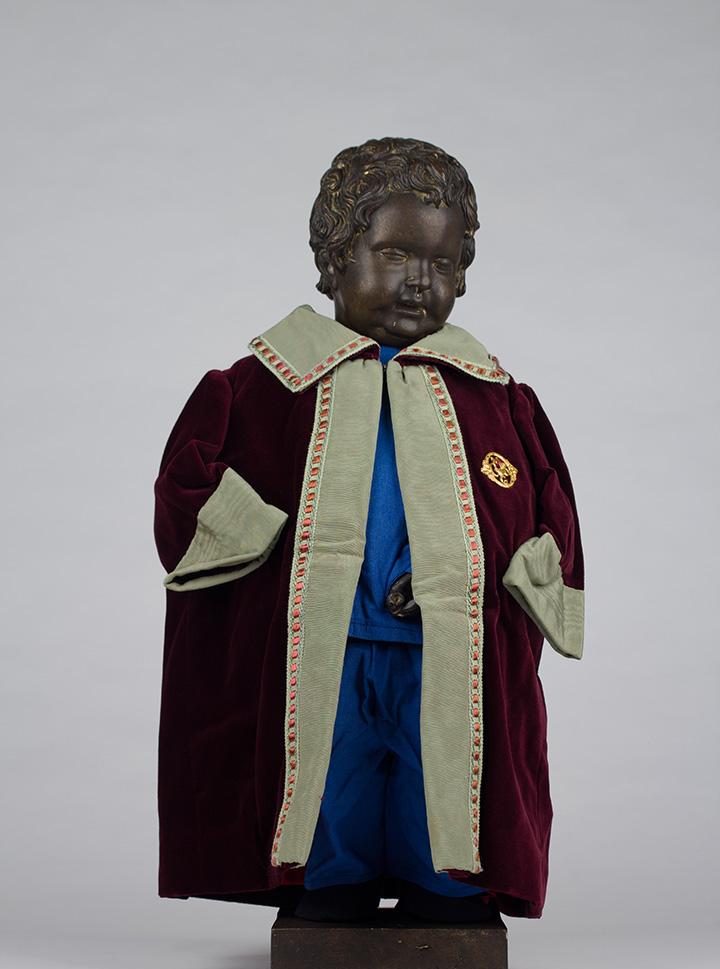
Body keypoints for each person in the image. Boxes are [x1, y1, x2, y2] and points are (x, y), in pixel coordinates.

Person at [153, 137, 585, 926]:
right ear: (335, 258)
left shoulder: (497, 401)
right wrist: (282, 554)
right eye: (393, 253)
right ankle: (330, 892)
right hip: (324, 644)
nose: (419, 280)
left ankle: (445, 896)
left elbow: (548, 516)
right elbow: (187, 494)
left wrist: (485, 576)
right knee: (331, 773)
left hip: (447, 649)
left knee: (440, 773)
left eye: (442, 262)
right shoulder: (260, 390)